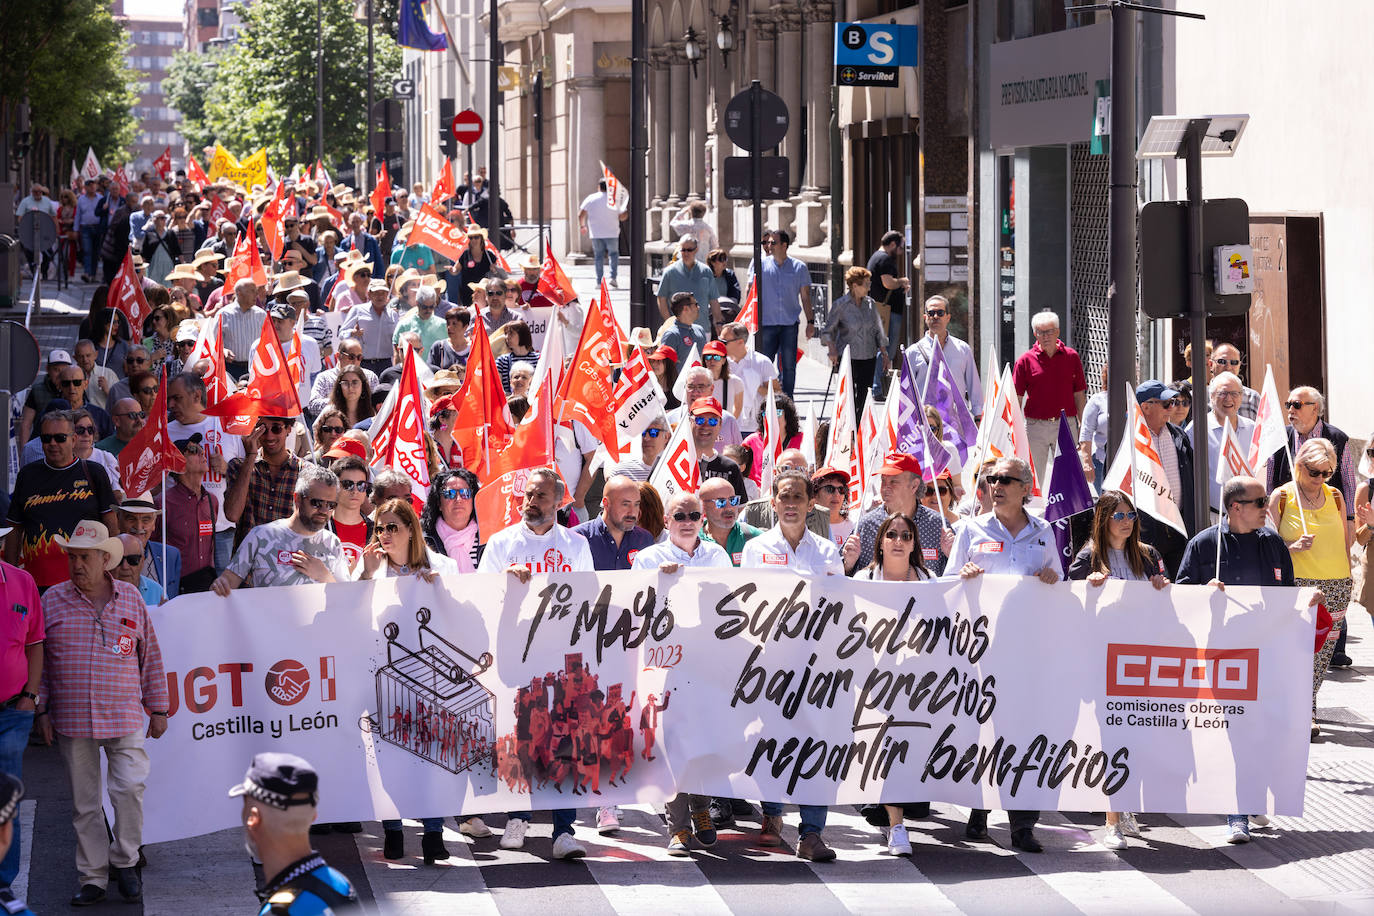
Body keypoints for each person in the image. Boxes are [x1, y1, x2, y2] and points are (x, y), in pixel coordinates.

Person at [37, 520, 167, 906]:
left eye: (84, 557)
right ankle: (93, 877)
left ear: (103, 559)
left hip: (124, 713)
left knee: (129, 789)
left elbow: (151, 657)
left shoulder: (130, 597)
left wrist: (158, 708)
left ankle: (125, 861)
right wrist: (42, 710)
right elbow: (41, 662)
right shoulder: (53, 600)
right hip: (72, 717)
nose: (76, 565)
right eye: (72, 557)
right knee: (85, 803)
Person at [1176, 475, 1308, 844]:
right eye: (1261, 502)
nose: (1268, 507)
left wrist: (1305, 606)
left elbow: (1287, 597)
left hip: (1269, 656)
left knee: (1266, 733)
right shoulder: (1205, 546)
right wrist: (1204, 593)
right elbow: (1179, 599)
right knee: (1238, 736)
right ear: (1236, 508)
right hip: (1226, 658)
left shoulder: (1272, 544)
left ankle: (1251, 796)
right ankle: (1238, 814)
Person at [945, 456, 1058, 854]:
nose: (996, 485)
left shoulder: (1044, 532)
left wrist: (1051, 580)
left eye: (1006, 479)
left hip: (1026, 654)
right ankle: (977, 813)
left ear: (1025, 487)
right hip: (979, 652)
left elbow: (1057, 587)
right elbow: (948, 582)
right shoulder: (971, 530)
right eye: (991, 479)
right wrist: (965, 577)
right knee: (978, 732)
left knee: (1022, 736)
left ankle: (1023, 825)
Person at [477, 468, 589, 860]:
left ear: (559, 502)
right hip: (513, 654)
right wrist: (504, 583)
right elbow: (481, 594)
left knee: (563, 740)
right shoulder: (501, 543)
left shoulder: (575, 545)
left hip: (559, 656)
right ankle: (517, 817)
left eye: (541, 495)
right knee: (518, 737)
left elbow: (588, 597)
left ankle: (564, 831)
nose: (531, 501)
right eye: (527, 494)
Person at [741, 470, 842, 861]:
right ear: (773, 502)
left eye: (798, 497)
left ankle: (812, 832)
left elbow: (839, 606)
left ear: (810, 503)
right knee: (773, 741)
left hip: (818, 667)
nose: (791, 503)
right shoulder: (756, 549)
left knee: (817, 744)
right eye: (784, 496)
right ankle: (771, 814)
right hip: (771, 665)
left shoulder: (826, 552)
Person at [1066, 489, 1169, 850]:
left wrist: (1162, 587)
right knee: (1112, 739)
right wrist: (1086, 589)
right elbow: (1067, 607)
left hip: (1143, 663)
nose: (1127, 522)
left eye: (1131, 515)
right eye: (1119, 515)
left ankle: (1125, 806)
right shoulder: (1088, 558)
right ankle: (1113, 821)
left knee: (1137, 737)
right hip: (1103, 664)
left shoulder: (1148, 555)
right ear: (1103, 519)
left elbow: (1168, 604)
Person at [629, 491, 728, 855]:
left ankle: (701, 808)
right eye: (679, 515)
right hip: (665, 663)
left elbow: (729, 602)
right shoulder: (648, 558)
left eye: (694, 515)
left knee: (700, 740)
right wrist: (659, 581)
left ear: (702, 520)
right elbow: (635, 606)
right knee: (671, 743)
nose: (687, 521)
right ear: (666, 521)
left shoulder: (717, 555)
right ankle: (678, 826)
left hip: (704, 662)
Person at [572, 474, 654, 835]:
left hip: (630, 643)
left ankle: (608, 794)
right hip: (588, 641)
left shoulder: (645, 541)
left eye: (636, 504)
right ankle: (602, 799)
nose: (633, 511)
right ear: (604, 503)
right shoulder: (580, 539)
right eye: (626, 503)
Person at [852, 511, 932, 857]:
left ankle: (892, 815)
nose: (898, 542)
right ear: (880, 542)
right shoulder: (865, 577)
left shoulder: (930, 579)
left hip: (920, 684)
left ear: (914, 544)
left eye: (906, 536)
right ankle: (897, 827)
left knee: (910, 753)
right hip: (876, 680)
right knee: (884, 751)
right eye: (892, 535)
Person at [1268, 438, 1353, 738]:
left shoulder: (1336, 495)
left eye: (1326, 473)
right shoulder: (1281, 496)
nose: (1319, 479)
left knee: (1323, 652)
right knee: (1299, 649)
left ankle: (1308, 705)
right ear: (1299, 466)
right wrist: (1291, 546)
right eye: (1314, 472)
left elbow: (1344, 541)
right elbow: (1268, 546)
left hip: (1337, 583)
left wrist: (1349, 577)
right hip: (1299, 584)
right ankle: (1300, 708)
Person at [227, 753, 359, 913]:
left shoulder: (279, 911)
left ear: (254, 820)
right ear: (314, 816)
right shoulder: (340, 884)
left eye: (245, 804)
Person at [4, 412, 119, 588]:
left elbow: (111, 524)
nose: (52, 444)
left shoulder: (94, 473)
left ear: (73, 440)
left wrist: (112, 574)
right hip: (37, 585)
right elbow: (15, 528)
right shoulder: (27, 475)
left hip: (84, 585)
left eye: (59, 438)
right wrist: (11, 576)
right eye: (46, 438)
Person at [213, 463, 349, 594]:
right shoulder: (261, 536)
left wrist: (324, 576)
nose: (324, 510)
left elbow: (346, 598)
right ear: (298, 499)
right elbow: (227, 582)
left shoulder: (332, 543)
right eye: (317, 503)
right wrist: (220, 586)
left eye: (331, 505)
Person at [166, 372, 246, 574]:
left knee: (222, 592)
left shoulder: (227, 427)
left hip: (221, 528)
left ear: (196, 396)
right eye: (169, 399)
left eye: (177, 398)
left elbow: (247, 473)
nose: (171, 405)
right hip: (180, 532)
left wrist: (227, 469)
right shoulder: (165, 433)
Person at [0, 546, 41, 907]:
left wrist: (31, 695)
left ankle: (2, 881)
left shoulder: (22, 581)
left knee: (7, 798)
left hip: (13, 709)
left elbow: (34, 643)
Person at [1133, 380, 1197, 576]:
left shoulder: (1179, 435)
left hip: (1179, 529)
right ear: (1146, 407)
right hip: (1145, 531)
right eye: (1167, 403)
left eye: (1173, 402)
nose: (1173, 407)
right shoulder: (1128, 437)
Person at [847, 451, 947, 576]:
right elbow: (838, 577)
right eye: (883, 480)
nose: (885, 487)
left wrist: (952, 554)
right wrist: (847, 565)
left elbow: (955, 577)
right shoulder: (865, 526)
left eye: (893, 482)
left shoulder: (938, 525)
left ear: (914, 486)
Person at [1269, 386, 1358, 525]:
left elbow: (1349, 484)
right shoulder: (1280, 437)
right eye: (1288, 405)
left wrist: (1350, 520)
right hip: (1289, 519)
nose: (1291, 410)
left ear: (1315, 408)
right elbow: (1270, 482)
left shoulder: (1338, 438)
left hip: (1328, 518)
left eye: (1297, 405)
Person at [1013, 311, 1086, 479]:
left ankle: (1066, 506)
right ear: (1035, 334)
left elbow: (1079, 394)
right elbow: (1016, 397)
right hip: (1035, 427)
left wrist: (1083, 425)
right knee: (1032, 478)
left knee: (1068, 476)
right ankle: (1033, 506)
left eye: (1049, 331)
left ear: (1058, 332)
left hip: (1066, 425)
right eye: (1041, 332)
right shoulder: (1025, 360)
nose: (1045, 336)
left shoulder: (1072, 357)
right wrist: (1014, 429)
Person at [754, 229, 817, 397]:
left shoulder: (799, 267)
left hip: (789, 325)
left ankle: (787, 401)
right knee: (764, 364)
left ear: (784, 245)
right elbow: (751, 294)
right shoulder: (759, 265)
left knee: (789, 366)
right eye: (767, 243)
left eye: (773, 243)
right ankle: (764, 401)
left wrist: (810, 323)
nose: (769, 246)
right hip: (766, 324)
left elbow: (805, 297)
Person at [154, 434, 218, 593]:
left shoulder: (212, 500)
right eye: (194, 450)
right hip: (177, 587)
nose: (202, 453)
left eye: (202, 450)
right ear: (179, 462)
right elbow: (154, 550)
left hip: (206, 585)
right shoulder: (163, 502)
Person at [225, 416, 305, 539]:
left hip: (288, 555)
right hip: (249, 556)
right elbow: (232, 514)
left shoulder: (305, 472)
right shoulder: (238, 466)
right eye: (261, 429)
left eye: (276, 428)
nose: (269, 436)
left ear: (289, 429)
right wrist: (251, 455)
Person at [822, 266, 888, 415]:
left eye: (869, 284)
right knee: (848, 395)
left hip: (868, 356)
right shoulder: (841, 305)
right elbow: (827, 331)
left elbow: (879, 330)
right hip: (847, 357)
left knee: (864, 394)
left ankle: (860, 428)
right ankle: (848, 426)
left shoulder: (871, 304)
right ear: (854, 285)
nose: (868, 288)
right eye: (866, 284)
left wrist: (884, 353)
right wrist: (832, 350)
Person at [1194, 371, 1257, 516]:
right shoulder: (1197, 429)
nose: (1228, 399)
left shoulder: (1252, 429)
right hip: (1214, 516)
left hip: (1249, 515)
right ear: (1211, 396)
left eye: (1234, 394)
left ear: (1241, 397)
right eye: (1222, 393)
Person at [114, 494, 180, 600]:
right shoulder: (105, 556)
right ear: (118, 519)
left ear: (154, 523)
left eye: (146, 520)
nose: (138, 527)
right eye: (131, 518)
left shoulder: (169, 555)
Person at [865, 230, 910, 379]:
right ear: (892, 244)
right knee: (886, 348)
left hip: (882, 308)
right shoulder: (884, 259)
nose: (901, 252)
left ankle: (877, 385)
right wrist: (902, 281)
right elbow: (888, 283)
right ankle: (877, 386)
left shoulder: (875, 257)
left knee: (882, 347)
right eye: (900, 248)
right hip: (888, 310)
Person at [655, 237, 721, 339]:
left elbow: (714, 300)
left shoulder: (706, 271)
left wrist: (718, 322)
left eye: (689, 250)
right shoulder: (669, 272)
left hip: (703, 329)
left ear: (696, 249)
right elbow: (661, 298)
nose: (686, 253)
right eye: (683, 250)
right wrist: (669, 322)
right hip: (677, 331)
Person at [720, 322, 778, 438]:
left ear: (740, 342)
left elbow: (777, 394)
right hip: (726, 426)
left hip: (754, 428)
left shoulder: (762, 362)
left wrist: (756, 387)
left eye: (724, 342)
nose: (720, 344)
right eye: (719, 340)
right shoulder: (719, 362)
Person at [421, 468, 483, 571]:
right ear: (439, 503)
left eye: (465, 493)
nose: (458, 499)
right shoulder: (423, 541)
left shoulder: (487, 539)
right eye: (450, 494)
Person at [690, 398, 749, 499]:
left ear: (720, 424)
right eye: (700, 420)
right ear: (690, 421)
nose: (706, 426)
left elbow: (740, 510)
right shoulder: (672, 463)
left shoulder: (731, 468)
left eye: (712, 421)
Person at [699, 476, 760, 566]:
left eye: (733, 500)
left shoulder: (755, 537)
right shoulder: (692, 541)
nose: (729, 508)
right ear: (702, 506)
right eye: (721, 502)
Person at [579, 179, 628, 287]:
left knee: (598, 257)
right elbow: (623, 216)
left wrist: (583, 226)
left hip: (596, 233)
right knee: (614, 255)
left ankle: (598, 281)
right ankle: (613, 278)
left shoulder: (591, 198)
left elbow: (581, 214)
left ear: (599, 187)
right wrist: (617, 216)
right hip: (612, 232)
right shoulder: (614, 200)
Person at [1207, 343, 1259, 420]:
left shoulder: (1252, 398)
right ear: (1211, 364)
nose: (1228, 367)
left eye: (1234, 362)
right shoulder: (1196, 398)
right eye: (1222, 361)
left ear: (1239, 366)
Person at [610, 417, 670, 482]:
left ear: (666, 437)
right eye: (643, 433)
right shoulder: (622, 472)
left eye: (653, 432)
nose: (646, 438)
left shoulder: (672, 474)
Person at [392, 284, 447, 355]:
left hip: (435, 366)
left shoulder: (443, 325)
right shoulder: (404, 324)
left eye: (431, 307)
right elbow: (397, 353)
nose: (428, 310)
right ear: (417, 303)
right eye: (424, 307)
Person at [1078, 365, 1110, 483]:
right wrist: (1087, 463)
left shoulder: (1133, 399)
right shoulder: (1097, 400)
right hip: (1102, 462)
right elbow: (1086, 432)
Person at [812, 466, 854, 551]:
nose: (837, 494)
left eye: (841, 489)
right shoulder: (804, 529)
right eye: (830, 489)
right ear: (814, 495)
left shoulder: (855, 527)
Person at [495, 320, 539, 394]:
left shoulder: (539, 359)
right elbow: (497, 388)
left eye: (511, 334)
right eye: (506, 334)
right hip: (510, 403)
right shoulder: (502, 361)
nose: (507, 337)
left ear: (522, 335)